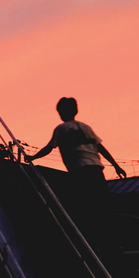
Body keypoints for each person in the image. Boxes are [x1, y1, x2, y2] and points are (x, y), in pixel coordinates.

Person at [28, 97, 126, 248]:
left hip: (79, 168)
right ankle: (113, 241)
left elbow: (49, 147)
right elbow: (100, 147)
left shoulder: (61, 129)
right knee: (103, 204)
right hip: (96, 167)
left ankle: (93, 241)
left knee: (85, 204)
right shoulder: (86, 127)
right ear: (76, 111)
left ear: (60, 113)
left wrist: (33, 157)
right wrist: (116, 165)